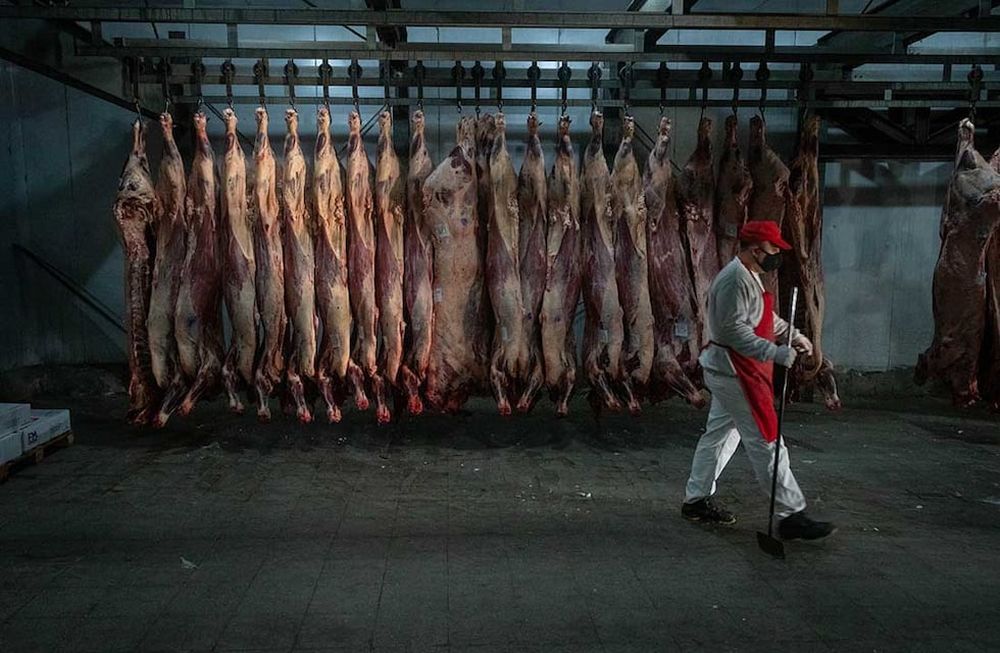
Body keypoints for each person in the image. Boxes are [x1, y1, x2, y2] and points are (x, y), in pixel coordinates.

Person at [681, 220, 835, 541]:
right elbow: (733, 332)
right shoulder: (734, 281)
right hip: (737, 371)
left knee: (721, 436)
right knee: (767, 440)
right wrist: (775, 353)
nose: (777, 254)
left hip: (732, 370)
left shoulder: (750, 276)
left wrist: (792, 335)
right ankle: (790, 513)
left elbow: (763, 318)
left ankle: (695, 499)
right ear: (755, 249)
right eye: (773, 249)